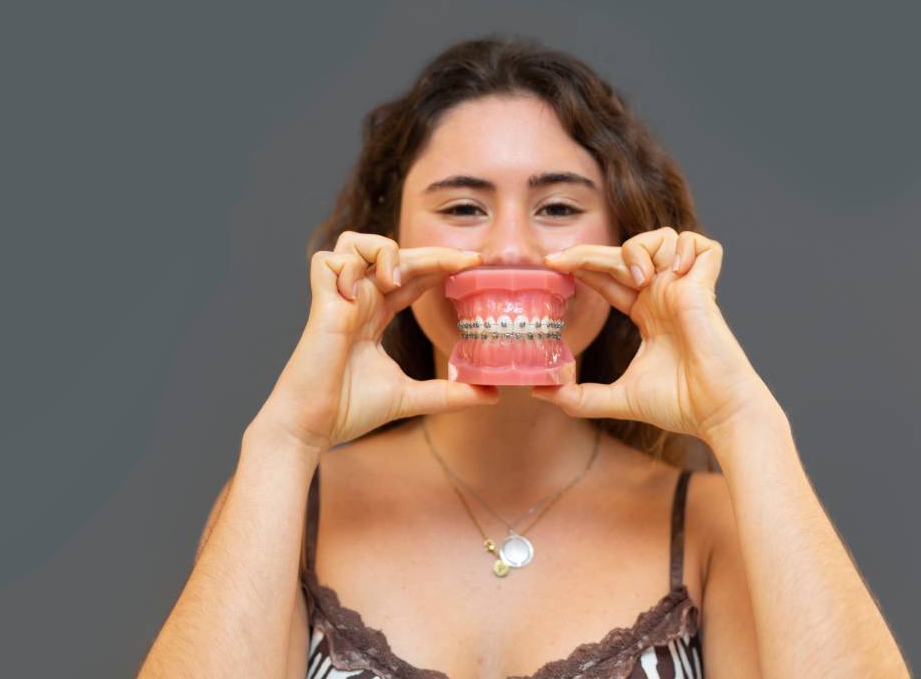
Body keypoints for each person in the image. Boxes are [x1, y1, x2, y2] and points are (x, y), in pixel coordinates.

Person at [138, 37, 910, 678]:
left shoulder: (710, 527)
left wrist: (744, 420)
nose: (511, 247)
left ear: (624, 237)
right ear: (391, 242)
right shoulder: (292, 504)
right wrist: (284, 438)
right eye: (464, 207)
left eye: (559, 208)